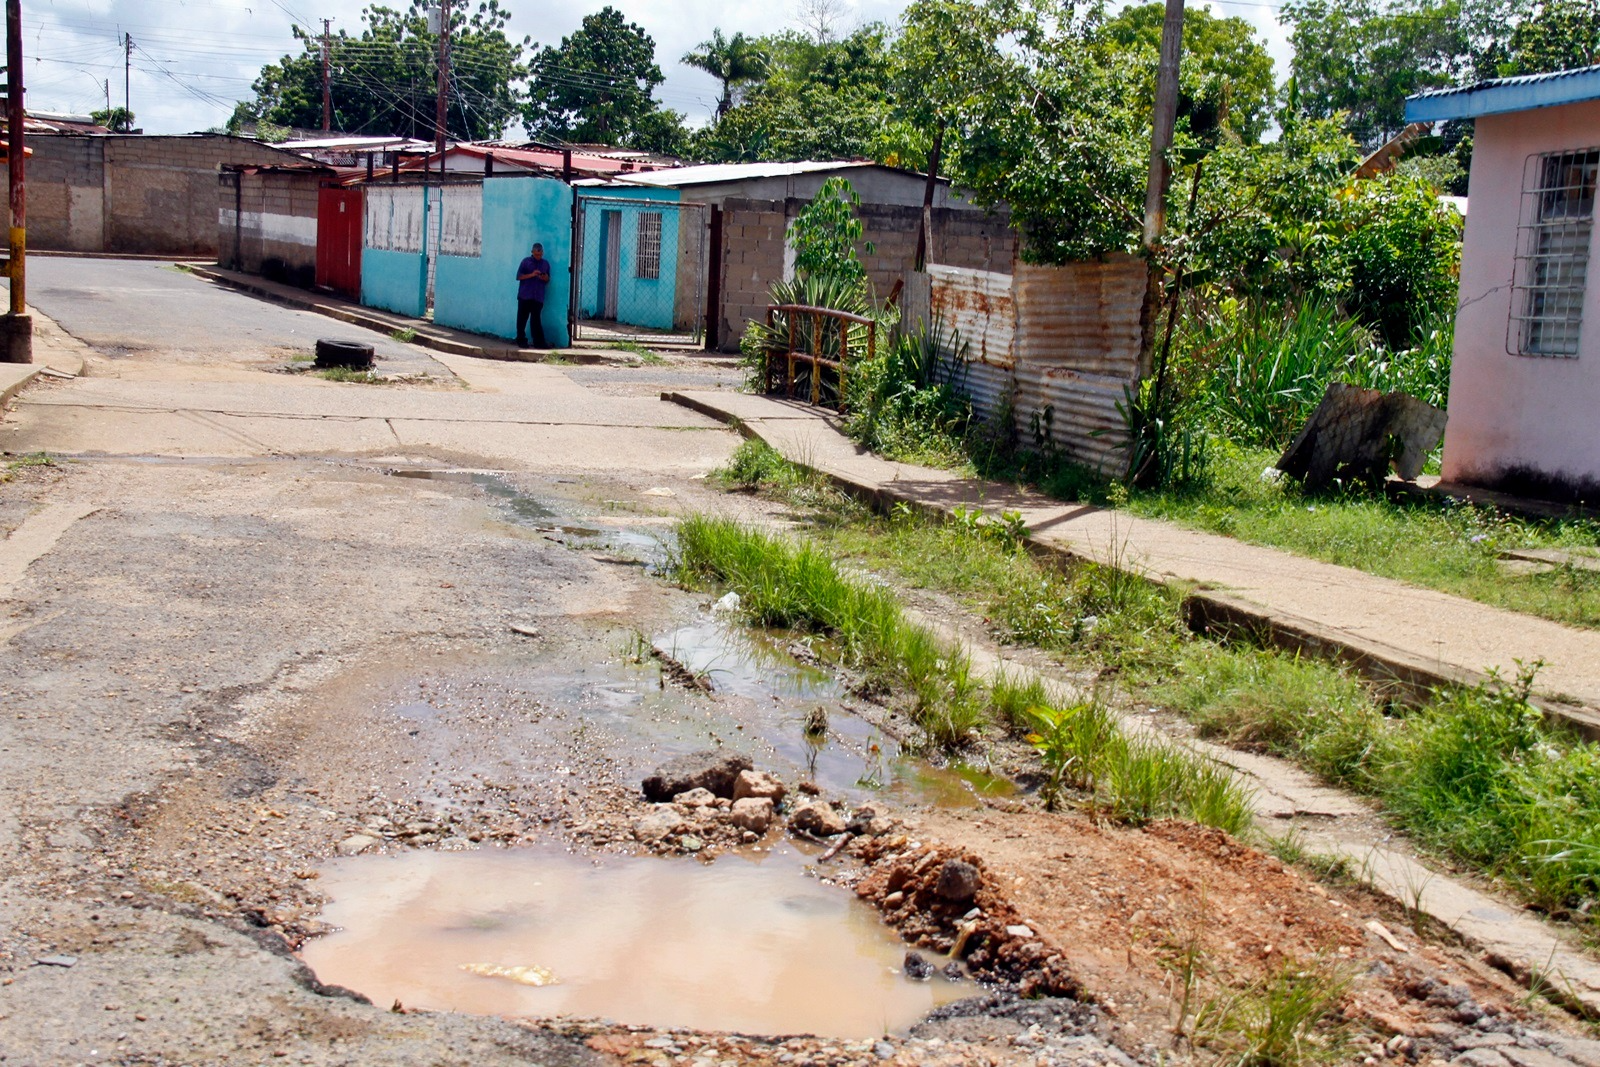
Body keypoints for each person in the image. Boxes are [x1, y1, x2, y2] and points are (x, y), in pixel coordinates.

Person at [515, 242, 552, 348]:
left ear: (542, 253)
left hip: (538, 296)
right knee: (522, 320)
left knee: (536, 320)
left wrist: (544, 277)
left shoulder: (545, 264)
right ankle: (521, 340)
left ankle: (539, 342)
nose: (538, 257)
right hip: (525, 295)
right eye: (536, 255)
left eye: (540, 255)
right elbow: (519, 276)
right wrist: (532, 275)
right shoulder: (525, 262)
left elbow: (548, 279)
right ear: (532, 252)